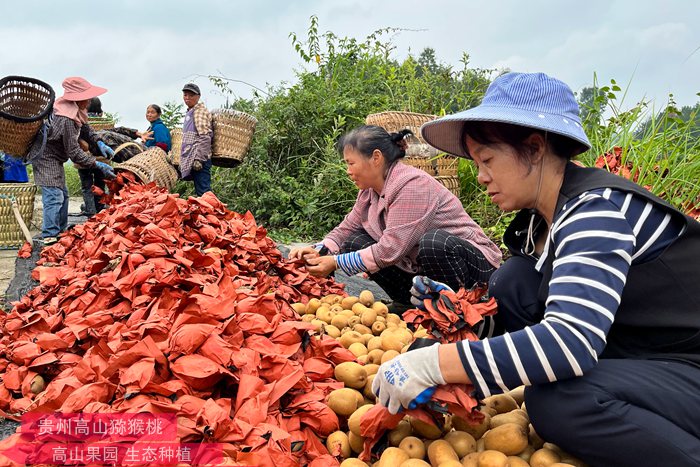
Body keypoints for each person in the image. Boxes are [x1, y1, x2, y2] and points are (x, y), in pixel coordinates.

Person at [371, 72, 700, 466]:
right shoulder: (536, 225)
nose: (481, 177)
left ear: (534, 147)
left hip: (687, 367)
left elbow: (571, 342)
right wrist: (463, 317)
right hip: (638, 354)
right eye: (477, 163)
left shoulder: (596, 210)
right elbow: (532, 314)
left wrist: (435, 366)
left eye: (488, 160)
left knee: (559, 401)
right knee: (512, 280)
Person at [289, 125, 502, 308]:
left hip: (473, 269)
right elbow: (348, 228)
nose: (347, 170)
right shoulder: (369, 191)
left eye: (351, 163)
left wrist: (335, 262)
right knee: (355, 241)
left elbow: (390, 249)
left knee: (434, 243)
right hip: (423, 267)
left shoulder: (412, 186)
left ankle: (455, 309)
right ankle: (408, 304)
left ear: (376, 158)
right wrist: (318, 249)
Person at [32, 77, 115, 245]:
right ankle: (49, 234)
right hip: (46, 157)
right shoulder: (66, 118)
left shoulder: (74, 110)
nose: (90, 100)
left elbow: (86, 129)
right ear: (77, 98)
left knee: (62, 194)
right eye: (88, 97)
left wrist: (98, 142)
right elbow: (75, 153)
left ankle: (59, 231)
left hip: (55, 156)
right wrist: (97, 163)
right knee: (54, 196)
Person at [75, 97, 110, 217]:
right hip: (102, 159)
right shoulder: (106, 123)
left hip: (83, 159)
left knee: (87, 186)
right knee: (100, 184)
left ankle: (90, 212)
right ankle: (100, 209)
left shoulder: (80, 119)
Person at [180, 83, 213, 196]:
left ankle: (213, 212)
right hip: (193, 158)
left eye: (191, 95)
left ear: (198, 96)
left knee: (204, 193)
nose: (187, 98)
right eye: (185, 95)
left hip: (199, 159)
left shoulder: (199, 111)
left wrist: (199, 159)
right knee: (201, 192)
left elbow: (205, 136)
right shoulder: (190, 111)